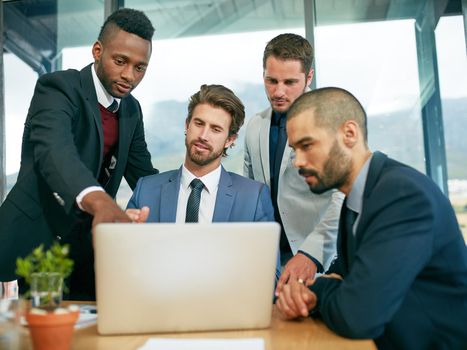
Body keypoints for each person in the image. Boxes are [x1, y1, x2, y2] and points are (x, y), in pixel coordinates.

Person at [277, 87, 467, 349]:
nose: (297, 161)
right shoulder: (356, 198)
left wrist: (317, 291)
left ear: (349, 134)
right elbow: (344, 279)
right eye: (295, 149)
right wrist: (308, 288)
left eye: (307, 145)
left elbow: (358, 315)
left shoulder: (401, 195)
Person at [0, 8, 158, 300]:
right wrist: (100, 202)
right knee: (38, 334)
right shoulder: (59, 88)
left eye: (140, 67)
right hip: (37, 233)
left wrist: (188, 200)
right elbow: (55, 151)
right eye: (120, 61)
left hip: (86, 242)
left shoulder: (131, 110)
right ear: (97, 51)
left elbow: (144, 175)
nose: (129, 75)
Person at [127, 84, 281, 279]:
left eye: (216, 129)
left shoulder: (253, 197)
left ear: (230, 139)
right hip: (157, 304)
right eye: (199, 123)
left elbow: (270, 276)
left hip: (222, 307)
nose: (203, 136)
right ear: (187, 125)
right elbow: (121, 264)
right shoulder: (146, 189)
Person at [244, 33, 343, 293]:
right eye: (271, 80)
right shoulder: (254, 126)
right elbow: (251, 193)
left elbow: (342, 197)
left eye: (290, 82)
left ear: (309, 78)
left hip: (323, 257)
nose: (278, 91)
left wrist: (311, 254)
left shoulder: (331, 120)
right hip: (269, 258)